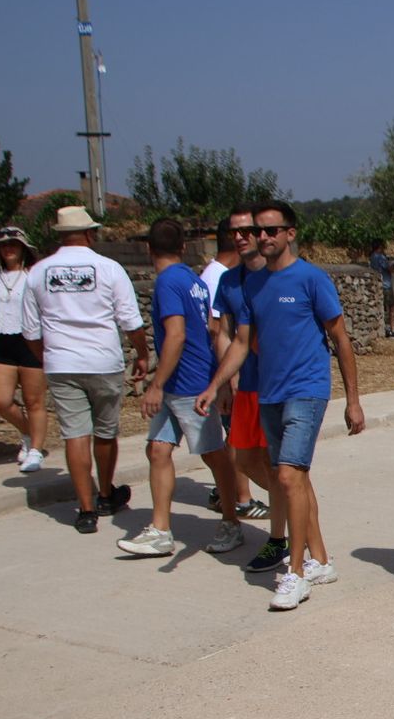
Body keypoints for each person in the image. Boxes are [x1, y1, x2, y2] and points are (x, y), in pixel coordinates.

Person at [197, 200, 366, 611]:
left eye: (272, 230)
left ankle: (295, 573)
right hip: (268, 393)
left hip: (306, 390)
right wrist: (216, 384)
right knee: (294, 478)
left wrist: (353, 400)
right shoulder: (251, 285)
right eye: (259, 231)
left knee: (288, 477)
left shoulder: (311, 279)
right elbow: (240, 342)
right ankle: (321, 561)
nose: (264, 237)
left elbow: (341, 339)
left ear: (291, 233)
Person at [116, 219, 244, 558]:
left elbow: (176, 334)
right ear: (183, 247)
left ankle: (232, 521)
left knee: (213, 455)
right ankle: (160, 529)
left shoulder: (168, 283)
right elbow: (212, 327)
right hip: (180, 382)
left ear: (148, 248)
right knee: (158, 450)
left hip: (187, 383)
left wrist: (155, 385)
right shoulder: (193, 280)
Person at [21, 206, 149, 533]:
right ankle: (106, 493)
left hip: (62, 361)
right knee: (105, 431)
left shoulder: (38, 272)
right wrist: (141, 352)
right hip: (102, 359)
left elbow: (30, 331)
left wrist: (48, 354)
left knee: (75, 434)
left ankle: (86, 508)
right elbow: (130, 321)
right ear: (90, 234)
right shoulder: (108, 268)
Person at [211, 208, 283, 571]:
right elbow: (223, 333)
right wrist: (223, 383)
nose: (239, 238)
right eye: (234, 232)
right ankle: (289, 511)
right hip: (245, 387)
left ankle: (282, 539)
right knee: (244, 459)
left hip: (276, 387)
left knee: (283, 470)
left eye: (246, 231)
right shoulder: (229, 282)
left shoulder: (276, 279)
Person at [0, 226, 48, 472]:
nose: (8, 249)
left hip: (31, 340)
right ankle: (28, 433)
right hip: (6, 343)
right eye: (4, 245)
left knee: (34, 400)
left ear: (23, 249)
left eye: (13, 245)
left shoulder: (33, 274)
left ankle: (36, 449)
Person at [370, 238, 394, 335]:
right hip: (386, 284)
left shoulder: (372, 257)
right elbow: (389, 269)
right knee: (392, 307)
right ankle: (392, 329)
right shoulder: (380, 257)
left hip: (379, 284)